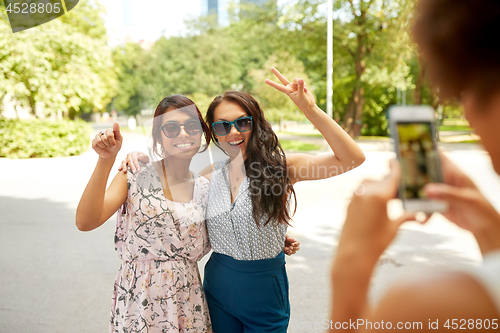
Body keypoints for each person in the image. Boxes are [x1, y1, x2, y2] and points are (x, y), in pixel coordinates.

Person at [123, 68, 365, 332]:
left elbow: (351, 159)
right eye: (223, 126)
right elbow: (169, 182)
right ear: (214, 132)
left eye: (243, 122)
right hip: (217, 289)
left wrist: (310, 109)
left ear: (256, 123)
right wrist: (138, 157)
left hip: (264, 292)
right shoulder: (209, 175)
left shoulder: (283, 169)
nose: (233, 132)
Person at [330, 0, 500, 330]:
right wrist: (490, 232)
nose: (466, 109)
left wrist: (351, 265)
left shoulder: (428, 305)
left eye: (468, 87)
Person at [76, 95, 213, 332]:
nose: (183, 133)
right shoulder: (135, 175)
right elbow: (85, 221)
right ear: (158, 136)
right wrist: (105, 161)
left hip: (188, 305)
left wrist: (275, 239)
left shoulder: (206, 188)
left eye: (191, 126)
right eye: (171, 127)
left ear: (201, 132)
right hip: (138, 301)